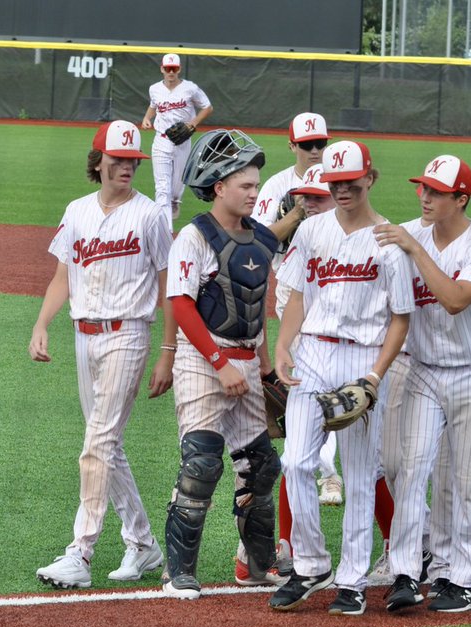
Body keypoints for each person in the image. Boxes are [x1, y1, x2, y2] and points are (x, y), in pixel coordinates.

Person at [271, 140, 413, 616]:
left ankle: (351, 580)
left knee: (357, 474)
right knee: (294, 461)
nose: (343, 190)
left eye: (351, 182)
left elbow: (400, 318)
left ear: (370, 178)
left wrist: (374, 377)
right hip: (312, 353)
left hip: (364, 359)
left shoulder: (389, 241)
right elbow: (297, 296)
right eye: (335, 184)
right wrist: (282, 345)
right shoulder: (311, 231)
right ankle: (311, 564)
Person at [29, 119, 172, 589]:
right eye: (118, 160)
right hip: (82, 335)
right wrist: (42, 323)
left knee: (97, 444)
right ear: (99, 162)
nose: (127, 167)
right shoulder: (77, 211)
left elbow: (171, 285)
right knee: (106, 446)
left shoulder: (150, 216)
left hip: (128, 334)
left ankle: (80, 553)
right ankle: (144, 543)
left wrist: (167, 350)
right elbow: (61, 276)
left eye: (133, 160)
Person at [374, 155, 471, 613]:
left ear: (461, 199)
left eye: (435, 191)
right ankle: (407, 571)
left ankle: (463, 578)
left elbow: (453, 300)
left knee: (464, 479)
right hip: (424, 371)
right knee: (409, 469)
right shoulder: (407, 234)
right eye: (422, 188)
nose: (424, 196)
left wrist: (415, 249)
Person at [152, 129, 281, 600]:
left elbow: (259, 305)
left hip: (246, 360)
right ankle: (178, 572)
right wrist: (219, 361)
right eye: (246, 184)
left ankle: (259, 566)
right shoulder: (194, 236)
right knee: (202, 464)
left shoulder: (261, 239)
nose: (255, 191)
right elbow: (182, 306)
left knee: (262, 466)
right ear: (218, 185)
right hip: (206, 360)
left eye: (257, 184)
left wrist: (264, 368)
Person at [251, 113, 344, 509]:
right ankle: (326, 471)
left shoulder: (341, 179)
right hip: (292, 287)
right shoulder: (277, 186)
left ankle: (331, 469)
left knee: (336, 378)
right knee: (306, 377)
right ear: (291, 146)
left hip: (340, 284)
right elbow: (256, 240)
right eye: (306, 144)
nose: (314, 151)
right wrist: (296, 214)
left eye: (320, 142)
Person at [140, 53, 213, 226]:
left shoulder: (190, 88)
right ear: (162, 69)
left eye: (174, 69)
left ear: (179, 69)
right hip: (161, 140)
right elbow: (153, 105)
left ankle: (175, 201)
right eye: (167, 69)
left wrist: (193, 123)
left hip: (182, 141)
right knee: (162, 189)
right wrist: (146, 118)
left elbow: (208, 107)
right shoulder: (154, 89)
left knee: (176, 186)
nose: (171, 72)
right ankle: (165, 229)